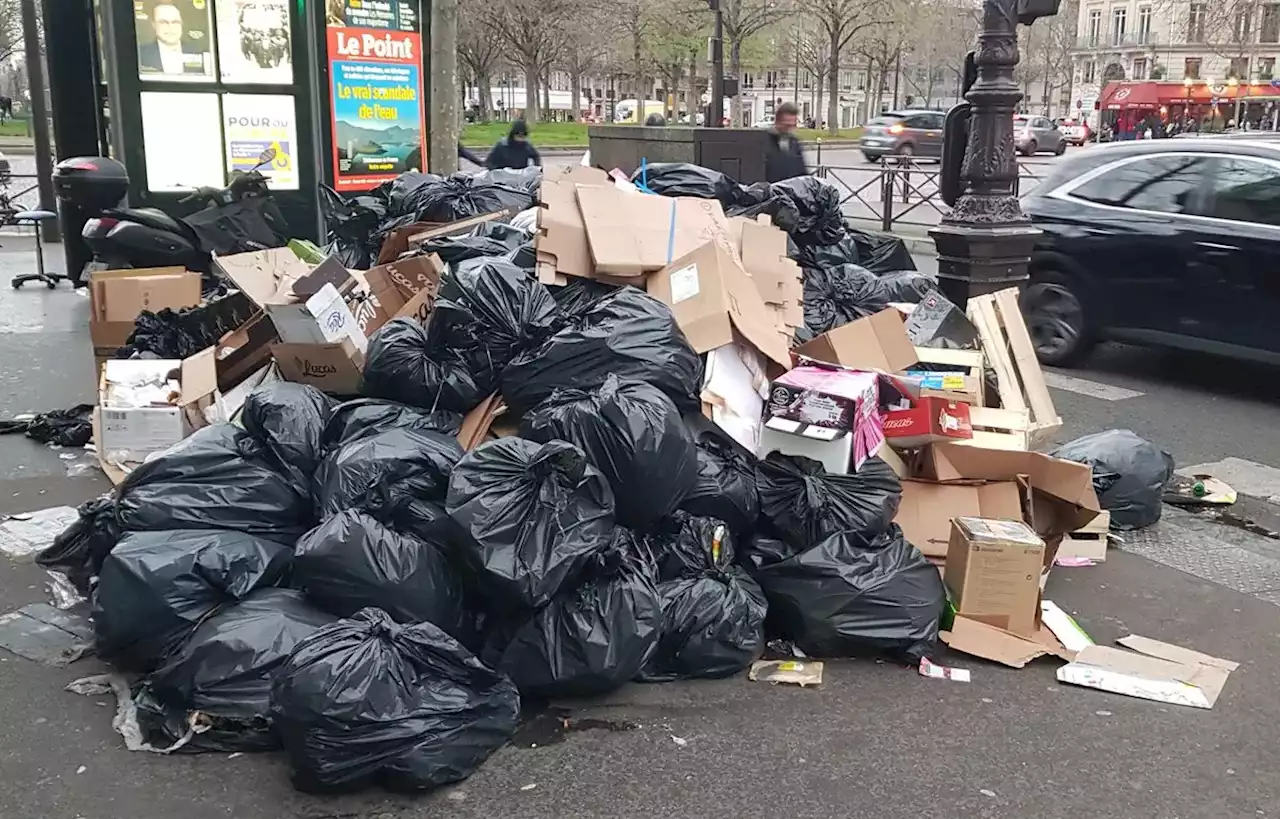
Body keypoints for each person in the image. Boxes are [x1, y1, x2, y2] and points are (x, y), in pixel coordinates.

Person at [138, 1, 206, 75]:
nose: (170, 27)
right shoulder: (140, 55)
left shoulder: (198, 52)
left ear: (182, 23)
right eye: (163, 22)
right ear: (154, 25)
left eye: (175, 22)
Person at [765, 102, 807, 183]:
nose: (789, 129)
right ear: (778, 121)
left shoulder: (794, 143)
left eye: (792, 125)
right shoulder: (764, 142)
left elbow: (802, 173)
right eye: (786, 125)